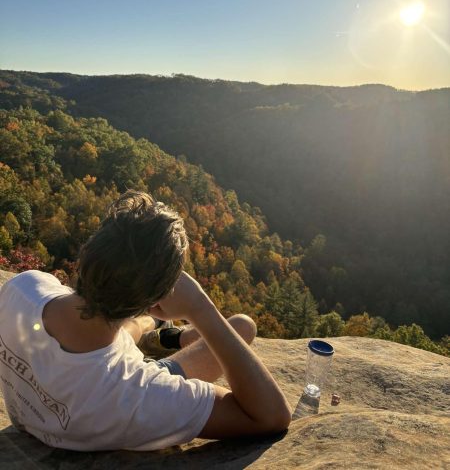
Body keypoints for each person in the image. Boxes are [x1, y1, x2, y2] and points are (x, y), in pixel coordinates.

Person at [0, 190, 291, 451]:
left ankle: (165, 336)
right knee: (241, 327)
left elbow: (95, 325)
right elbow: (270, 416)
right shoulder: (141, 397)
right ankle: (166, 333)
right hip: (114, 397)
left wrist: (161, 324)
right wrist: (201, 308)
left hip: (56, 409)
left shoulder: (22, 289)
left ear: (88, 250)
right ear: (156, 301)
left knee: (238, 326)